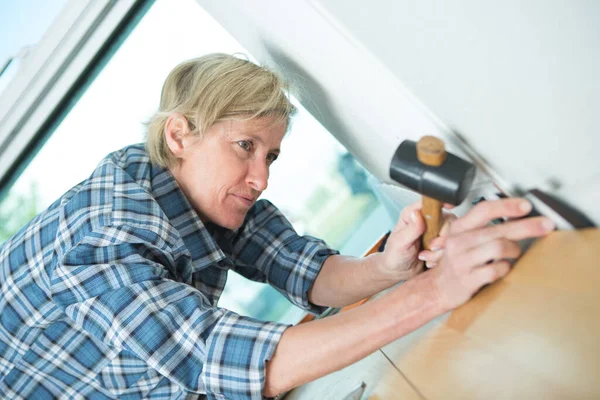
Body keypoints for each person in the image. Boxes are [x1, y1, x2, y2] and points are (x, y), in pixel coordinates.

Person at [0, 53, 554, 400]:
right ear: (179, 134)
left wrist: (392, 267)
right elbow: (217, 358)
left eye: (272, 156)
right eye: (246, 147)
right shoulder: (104, 237)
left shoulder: (196, 189)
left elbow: (308, 272)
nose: (260, 178)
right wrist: (437, 288)